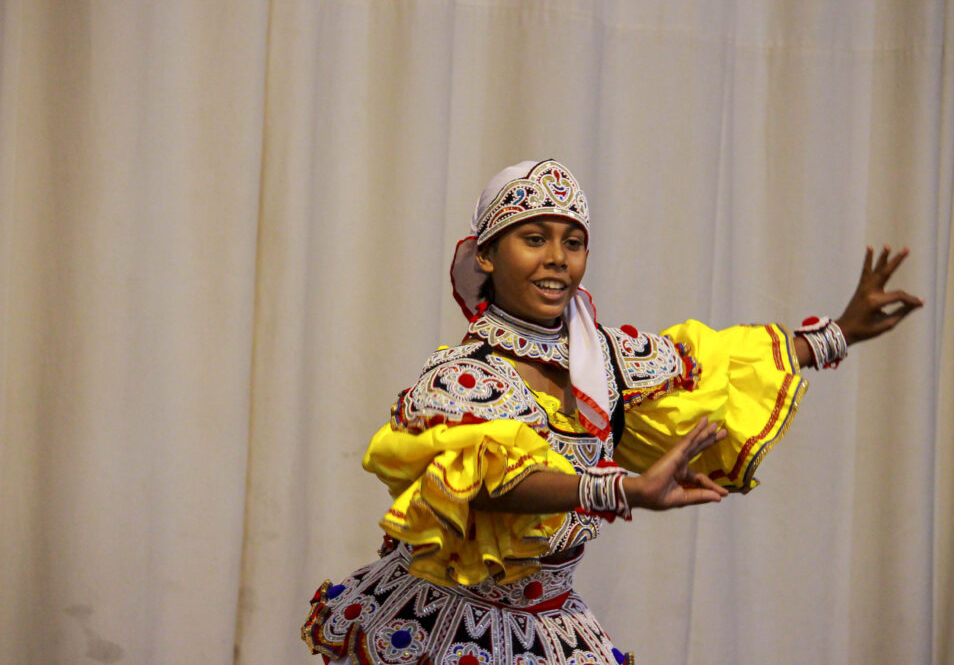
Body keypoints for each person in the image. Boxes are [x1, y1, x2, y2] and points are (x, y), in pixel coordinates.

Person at [301, 160, 922, 664]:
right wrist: (619, 489)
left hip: (549, 623)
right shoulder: (464, 376)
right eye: (534, 239)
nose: (557, 257)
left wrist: (838, 333)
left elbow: (715, 363)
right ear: (485, 255)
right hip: (449, 622)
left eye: (573, 243)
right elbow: (485, 482)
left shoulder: (606, 360)